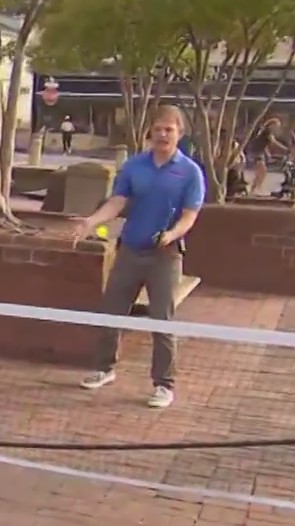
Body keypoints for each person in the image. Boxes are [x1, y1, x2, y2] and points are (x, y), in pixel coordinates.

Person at [74, 105, 205, 409]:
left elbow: (189, 216)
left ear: (179, 134)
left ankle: (163, 384)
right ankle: (104, 368)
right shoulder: (134, 166)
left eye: (169, 130)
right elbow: (117, 201)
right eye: (158, 129)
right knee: (111, 310)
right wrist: (91, 221)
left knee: (162, 319)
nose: (162, 134)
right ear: (150, 131)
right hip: (130, 250)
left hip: (165, 255)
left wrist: (172, 235)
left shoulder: (190, 172)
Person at [244, 117, 287, 195]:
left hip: (259, 152)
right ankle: (255, 188)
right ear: (271, 125)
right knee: (262, 170)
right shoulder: (267, 131)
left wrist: (268, 155)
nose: (277, 128)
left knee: (261, 172)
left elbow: (264, 144)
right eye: (276, 126)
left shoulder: (266, 132)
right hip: (255, 152)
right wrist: (285, 149)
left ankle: (254, 188)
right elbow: (273, 142)